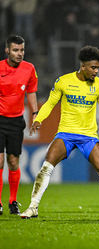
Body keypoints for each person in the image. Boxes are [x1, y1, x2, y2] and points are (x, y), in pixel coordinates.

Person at [20, 45, 99, 220]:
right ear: (83, 66)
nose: (96, 72)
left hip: (88, 136)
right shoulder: (63, 81)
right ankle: (33, 207)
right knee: (47, 165)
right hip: (66, 134)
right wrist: (39, 119)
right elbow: (49, 103)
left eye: (98, 68)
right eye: (93, 68)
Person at [0, 35, 38, 215]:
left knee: (13, 162)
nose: (19, 53)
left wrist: (35, 113)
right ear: (7, 50)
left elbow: (31, 92)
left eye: (22, 50)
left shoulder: (29, 69)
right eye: (15, 50)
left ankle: (12, 201)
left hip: (16, 121)